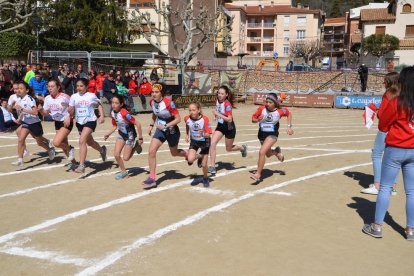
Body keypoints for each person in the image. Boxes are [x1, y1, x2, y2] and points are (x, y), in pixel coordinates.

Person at [362, 66, 414, 241]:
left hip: (396, 148)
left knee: (385, 187)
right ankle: (410, 230)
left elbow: (383, 125)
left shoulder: (397, 102)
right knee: (412, 191)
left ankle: (377, 227)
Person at [361, 72, 399, 196]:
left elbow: (383, 114)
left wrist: (376, 112)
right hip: (397, 130)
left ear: (389, 82)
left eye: (385, 81)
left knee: (376, 154)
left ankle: (377, 185)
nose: (383, 83)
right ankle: (393, 187)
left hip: (385, 129)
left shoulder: (388, 94)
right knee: (394, 158)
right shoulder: (402, 94)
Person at [144, 83, 187, 188]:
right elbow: (155, 113)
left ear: (161, 93)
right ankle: (152, 178)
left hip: (172, 131)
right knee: (151, 151)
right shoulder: (152, 102)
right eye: (152, 92)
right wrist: (151, 125)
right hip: (161, 130)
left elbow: (178, 119)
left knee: (174, 153)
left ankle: (188, 154)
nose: (154, 94)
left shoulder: (169, 103)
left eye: (156, 92)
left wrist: (166, 126)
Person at [250, 93, 293, 182]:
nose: (267, 104)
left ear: (274, 103)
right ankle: (277, 152)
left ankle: (258, 174)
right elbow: (253, 119)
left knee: (262, 152)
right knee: (268, 154)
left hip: (272, 134)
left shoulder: (280, 112)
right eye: (267, 102)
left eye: (270, 102)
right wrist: (258, 119)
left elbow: (289, 114)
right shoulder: (261, 109)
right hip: (262, 134)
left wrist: (289, 127)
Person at [12, 81, 55, 167]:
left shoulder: (29, 99)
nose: (19, 90)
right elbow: (22, 111)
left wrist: (22, 109)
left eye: (21, 88)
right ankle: (20, 160)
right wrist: (19, 118)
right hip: (26, 123)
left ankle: (50, 150)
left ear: (27, 90)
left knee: (39, 142)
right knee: (21, 139)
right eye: (18, 88)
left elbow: (35, 112)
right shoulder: (20, 99)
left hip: (35, 123)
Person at [68, 78, 107, 173]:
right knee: (90, 142)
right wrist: (70, 112)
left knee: (82, 141)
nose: (79, 88)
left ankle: (81, 165)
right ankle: (102, 150)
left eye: (81, 86)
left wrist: (101, 115)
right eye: (77, 86)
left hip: (90, 121)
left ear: (86, 86)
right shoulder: (73, 96)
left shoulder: (91, 95)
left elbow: (98, 105)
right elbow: (71, 109)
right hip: (79, 122)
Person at [208, 85, 247, 174]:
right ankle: (212, 166)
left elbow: (229, 119)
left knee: (228, 149)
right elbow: (218, 110)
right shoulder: (217, 100)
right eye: (219, 93)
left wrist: (217, 114)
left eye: (222, 94)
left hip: (229, 128)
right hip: (221, 126)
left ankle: (242, 148)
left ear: (226, 95)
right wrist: (215, 117)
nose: (220, 95)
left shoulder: (227, 104)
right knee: (212, 144)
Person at [104, 95, 143, 180]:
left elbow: (138, 124)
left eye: (116, 103)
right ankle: (124, 173)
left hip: (130, 135)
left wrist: (140, 138)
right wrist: (108, 133)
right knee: (116, 155)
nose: (113, 105)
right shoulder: (113, 113)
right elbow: (114, 126)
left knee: (126, 158)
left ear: (121, 104)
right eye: (112, 102)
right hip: (121, 134)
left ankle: (136, 145)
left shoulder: (125, 113)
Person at [39, 79, 77, 168]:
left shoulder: (65, 96)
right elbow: (46, 113)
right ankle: (74, 163)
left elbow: (74, 107)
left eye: (52, 86)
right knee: (63, 144)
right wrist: (41, 110)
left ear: (58, 87)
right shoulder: (48, 98)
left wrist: (69, 117)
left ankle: (70, 148)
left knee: (56, 143)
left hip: (66, 122)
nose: (50, 88)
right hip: (57, 123)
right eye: (48, 86)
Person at [184, 102, 213, 187]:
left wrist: (203, 133)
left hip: (205, 142)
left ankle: (205, 178)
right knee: (190, 160)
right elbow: (187, 124)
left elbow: (209, 134)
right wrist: (186, 134)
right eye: (189, 110)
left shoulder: (205, 119)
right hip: (194, 141)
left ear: (199, 110)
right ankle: (200, 156)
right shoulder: (186, 118)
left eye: (193, 110)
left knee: (204, 165)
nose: (191, 112)